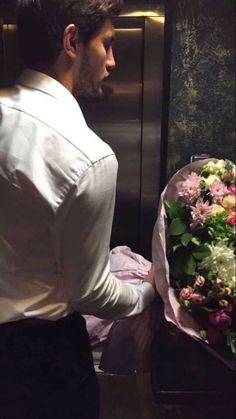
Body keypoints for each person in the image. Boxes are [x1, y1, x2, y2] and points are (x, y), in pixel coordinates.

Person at [0, 1, 156, 418]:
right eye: (106, 44)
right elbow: (89, 292)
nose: (111, 60)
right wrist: (148, 292)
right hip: (39, 365)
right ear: (72, 40)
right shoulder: (89, 156)